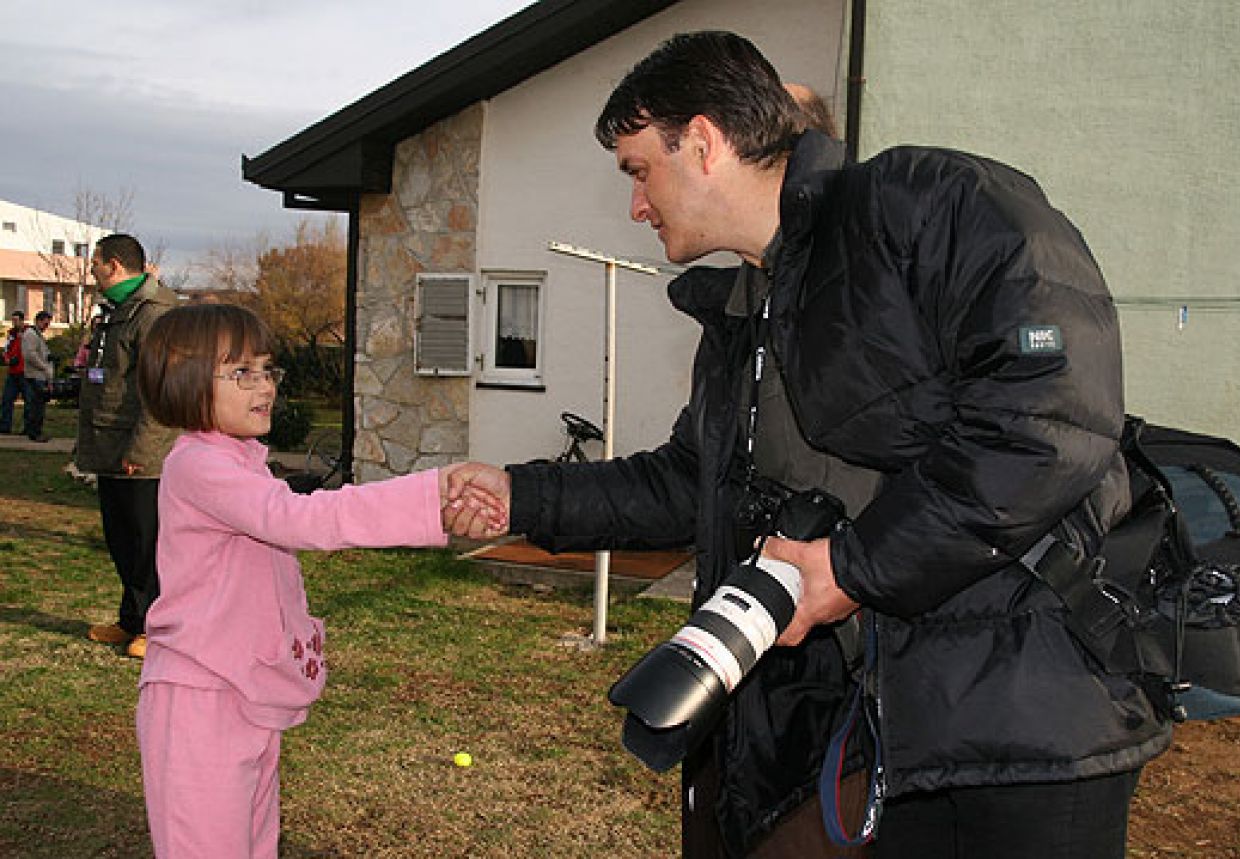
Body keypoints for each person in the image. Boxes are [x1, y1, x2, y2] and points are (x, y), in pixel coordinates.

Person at [446, 30, 1169, 858]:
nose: (636, 206)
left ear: (706, 142)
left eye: (639, 171)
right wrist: (523, 495)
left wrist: (857, 565)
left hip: (1017, 736)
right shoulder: (749, 305)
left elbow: (1049, 416)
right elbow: (691, 482)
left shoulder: (927, 206)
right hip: (868, 733)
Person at [134, 303, 502, 858]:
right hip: (198, 699)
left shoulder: (240, 462)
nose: (264, 386)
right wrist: (429, 496)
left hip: (241, 690)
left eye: (266, 368)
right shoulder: (199, 467)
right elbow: (303, 520)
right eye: (241, 372)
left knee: (255, 845)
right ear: (185, 383)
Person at [79, 234, 180, 659]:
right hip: (110, 448)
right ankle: (131, 619)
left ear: (116, 266)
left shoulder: (154, 316)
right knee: (121, 539)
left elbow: (161, 393)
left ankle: (157, 629)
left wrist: (141, 451)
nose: (93, 272)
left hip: (143, 457)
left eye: (96, 264)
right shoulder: (116, 312)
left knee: (146, 545)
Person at [20, 310, 54, 442]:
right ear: (39, 320)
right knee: (36, 405)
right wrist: (43, 366)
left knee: (39, 405)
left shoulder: (37, 335)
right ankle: (34, 432)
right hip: (35, 375)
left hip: (40, 375)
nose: (47, 326)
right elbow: (30, 355)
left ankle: (35, 430)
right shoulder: (31, 335)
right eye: (46, 323)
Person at [0, 310, 28, 434]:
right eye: (13, 320)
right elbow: (7, 348)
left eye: (16, 320)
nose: (14, 323)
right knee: (7, 399)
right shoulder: (11, 334)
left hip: (24, 371)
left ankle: (28, 427)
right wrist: (7, 358)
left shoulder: (28, 333)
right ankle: (5, 425)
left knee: (28, 400)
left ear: (22, 321)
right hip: (13, 371)